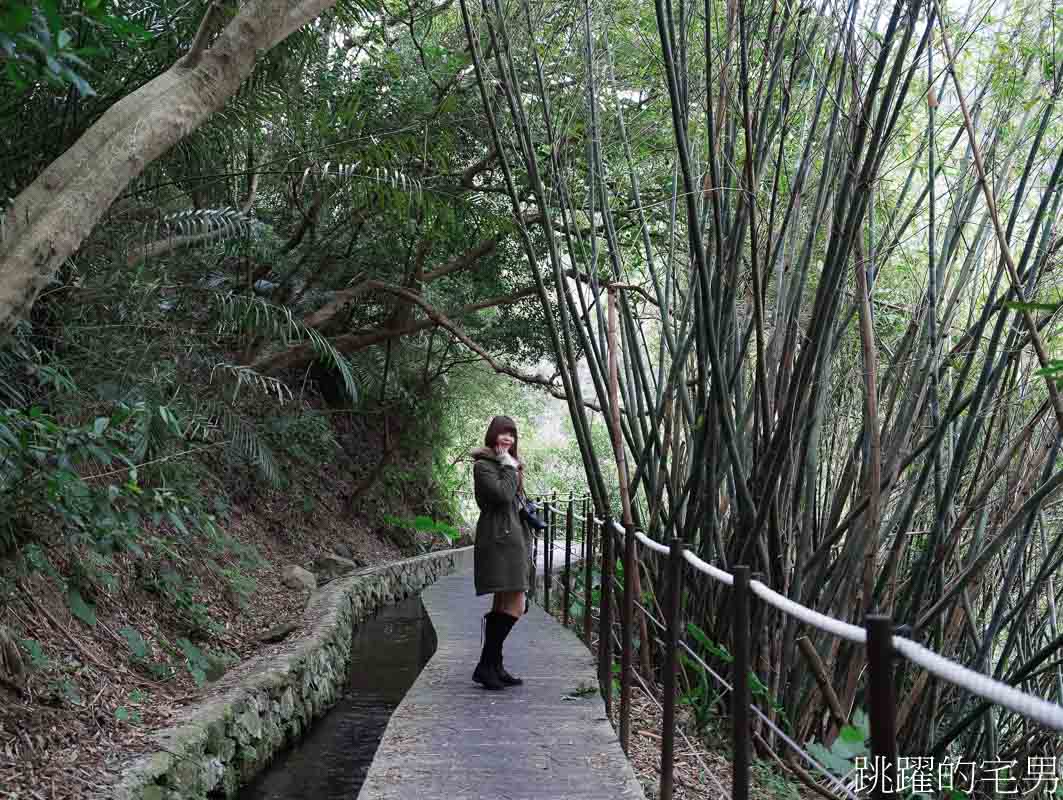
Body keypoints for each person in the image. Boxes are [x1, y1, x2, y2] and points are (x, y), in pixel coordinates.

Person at [470, 415, 531, 690]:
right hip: (498, 538)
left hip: (510, 536)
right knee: (517, 605)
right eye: (503, 434)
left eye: (512, 434)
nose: (507, 439)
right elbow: (503, 495)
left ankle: (493, 665)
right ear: (492, 435)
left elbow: (515, 499)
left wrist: (512, 467)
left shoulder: (507, 465)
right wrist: (509, 466)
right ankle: (486, 666)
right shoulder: (484, 466)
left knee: (503, 604)